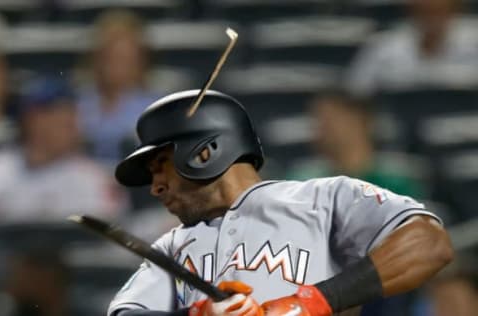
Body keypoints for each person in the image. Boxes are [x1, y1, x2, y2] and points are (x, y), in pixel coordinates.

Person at [107, 89, 453, 316]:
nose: (155, 188)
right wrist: (198, 314)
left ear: (204, 153)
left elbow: (429, 243)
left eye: (160, 167)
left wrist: (306, 304)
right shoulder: (172, 246)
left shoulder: (321, 199)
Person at [0, 76, 127, 222]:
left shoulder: (94, 180)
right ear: (31, 121)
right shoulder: (2, 167)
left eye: (70, 120)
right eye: (58, 119)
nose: (72, 128)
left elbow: (104, 236)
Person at [287, 91, 425, 198]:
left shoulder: (398, 179)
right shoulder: (304, 180)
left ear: (361, 122)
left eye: (331, 120)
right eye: (318, 121)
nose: (321, 128)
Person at [76, 9, 158, 166]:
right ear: (95, 58)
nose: (115, 67)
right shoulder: (76, 104)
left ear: (141, 61)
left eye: (124, 59)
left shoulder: (156, 109)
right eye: (110, 57)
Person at [347, 0, 478, 96]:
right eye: (425, 11)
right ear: (411, 9)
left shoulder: (474, 44)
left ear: (454, 9)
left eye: (438, 11)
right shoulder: (383, 48)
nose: (432, 19)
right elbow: (355, 95)